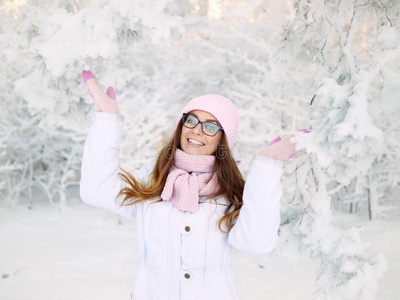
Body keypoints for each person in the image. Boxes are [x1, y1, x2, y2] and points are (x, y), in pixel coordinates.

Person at [80, 70, 308, 300]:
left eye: (210, 126)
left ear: (223, 140)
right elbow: (96, 190)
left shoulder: (230, 193)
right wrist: (108, 119)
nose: (197, 130)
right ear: (181, 127)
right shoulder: (154, 181)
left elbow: (255, 244)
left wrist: (267, 166)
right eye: (191, 120)